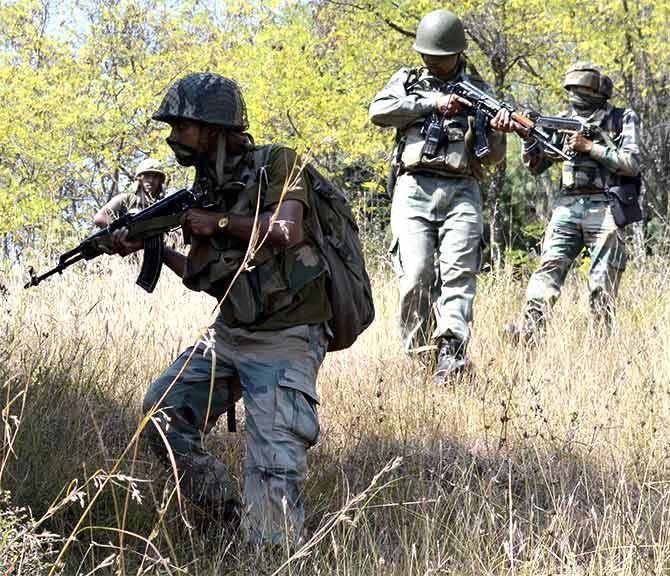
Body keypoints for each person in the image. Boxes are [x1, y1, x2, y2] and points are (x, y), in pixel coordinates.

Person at [110, 72, 332, 545]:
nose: (172, 138)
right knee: (162, 414)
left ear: (213, 129)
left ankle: (270, 551)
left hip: (285, 338)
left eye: (181, 127)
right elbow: (204, 274)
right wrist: (148, 246)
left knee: (273, 472)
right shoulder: (206, 185)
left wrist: (220, 222)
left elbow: (287, 230)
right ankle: (228, 522)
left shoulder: (278, 163)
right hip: (230, 333)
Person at [369, 9, 509, 383]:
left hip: (463, 190)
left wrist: (498, 132)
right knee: (415, 275)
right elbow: (379, 111)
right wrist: (433, 103)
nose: (431, 61)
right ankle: (420, 359)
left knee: (459, 274)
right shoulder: (409, 80)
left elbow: (493, 159)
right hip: (413, 188)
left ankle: (452, 353)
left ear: (457, 53)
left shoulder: (481, 91)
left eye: (439, 56)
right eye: (426, 54)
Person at [506, 62, 641, 341]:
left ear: (597, 89)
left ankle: (600, 344)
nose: (576, 95)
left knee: (603, 279)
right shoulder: (560, 120)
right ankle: (530, 332)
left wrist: (590, 147)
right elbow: (535, 166)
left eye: (582, 89)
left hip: (605, 205)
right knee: (548, 268)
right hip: (567, 205)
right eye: (572, 89)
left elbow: (631, 163)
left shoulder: (621, 118)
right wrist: (528, 138)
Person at [94, 158, 166, 227]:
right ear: (140, 179)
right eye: (147, 176)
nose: (151, 180)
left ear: (160, 181)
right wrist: (119, 229)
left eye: (155, 177)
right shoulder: (126, 199)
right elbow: (100, 217)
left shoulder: (161, 206)